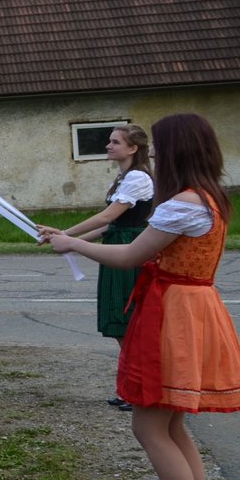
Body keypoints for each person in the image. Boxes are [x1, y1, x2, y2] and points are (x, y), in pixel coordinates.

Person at [47, 114, 240, 480]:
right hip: (189, 306)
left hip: (174, 313)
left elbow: (130, 255)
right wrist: (73, 237)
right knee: (171, 424)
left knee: (149, 425)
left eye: (160, 146)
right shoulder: (207, 197)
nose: (155, 154)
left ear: (178, 150)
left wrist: (73, 243)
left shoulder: (184, 203)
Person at [38, 124, 154, 412]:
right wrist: (69, 241)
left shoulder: (138, 177)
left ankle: (140, 390)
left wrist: (66, 235)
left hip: (129, 248)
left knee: (126, 318)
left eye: (115, 142)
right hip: (118, 243)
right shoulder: (124, 177)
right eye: (109, 141)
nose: (108, 146)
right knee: (120, 319)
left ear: (133, 148)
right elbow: (109, 227)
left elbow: (107, 217)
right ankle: (131, 388)